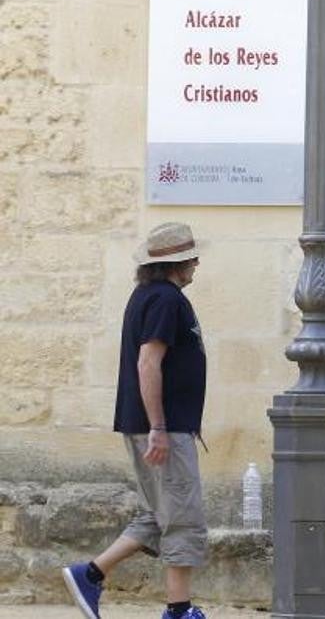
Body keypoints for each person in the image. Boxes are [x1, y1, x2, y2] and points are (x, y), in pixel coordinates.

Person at [63, 222, 210, 619]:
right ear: (175, 264)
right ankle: (179, 610)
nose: (196, 264)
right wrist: (159, 428)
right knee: (183, 519)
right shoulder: (165, 300)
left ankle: (89, 575)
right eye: (191, 258)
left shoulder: (148, 295)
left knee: (156, 516)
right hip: (163, 428)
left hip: (154, 425)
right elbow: (149, 362)